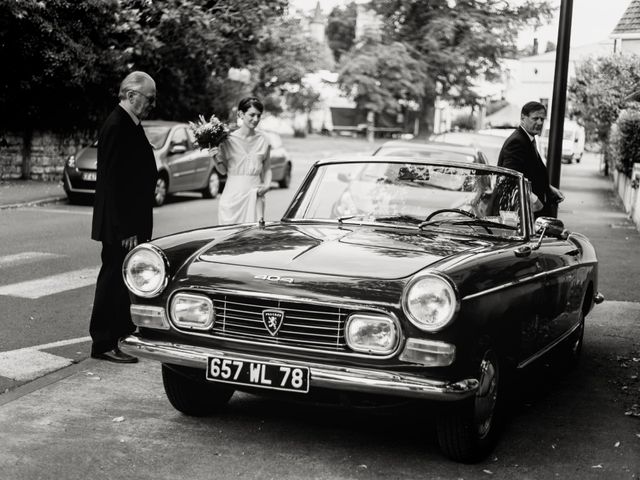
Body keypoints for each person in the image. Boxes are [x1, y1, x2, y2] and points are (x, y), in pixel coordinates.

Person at [89, 71, 158, 363]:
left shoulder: (130, 123)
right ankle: (104, 343)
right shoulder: (117, 125)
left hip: (129, 220)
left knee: (124, 280)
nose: (153, 104)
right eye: (149, 98)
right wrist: (127, 227)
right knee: (113, 281)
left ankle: (120, 333)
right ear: (131, 95)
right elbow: (115, 183)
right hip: (122, 224)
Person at [497, 101, 564, 217]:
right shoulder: (517, 142)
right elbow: (510, 179)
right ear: (523, 118)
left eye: (542, 119)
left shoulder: (528, 139)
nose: (539, 122)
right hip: (520, 213)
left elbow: (530, 173)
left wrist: (548, 188)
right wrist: (535, 200)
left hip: (529, 212)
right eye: (535, 118)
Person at [214, 97, 272, 224]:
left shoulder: (264, 139)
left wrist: (267, 185)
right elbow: (223, 171)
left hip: (255, 196)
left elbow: (267, 168)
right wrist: (214, 157)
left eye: (258, 115)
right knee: (229, 239)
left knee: (254, 239)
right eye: (252, 115)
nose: (255, 119)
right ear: (240, 114)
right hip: (232, 198)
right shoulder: (227, 140)